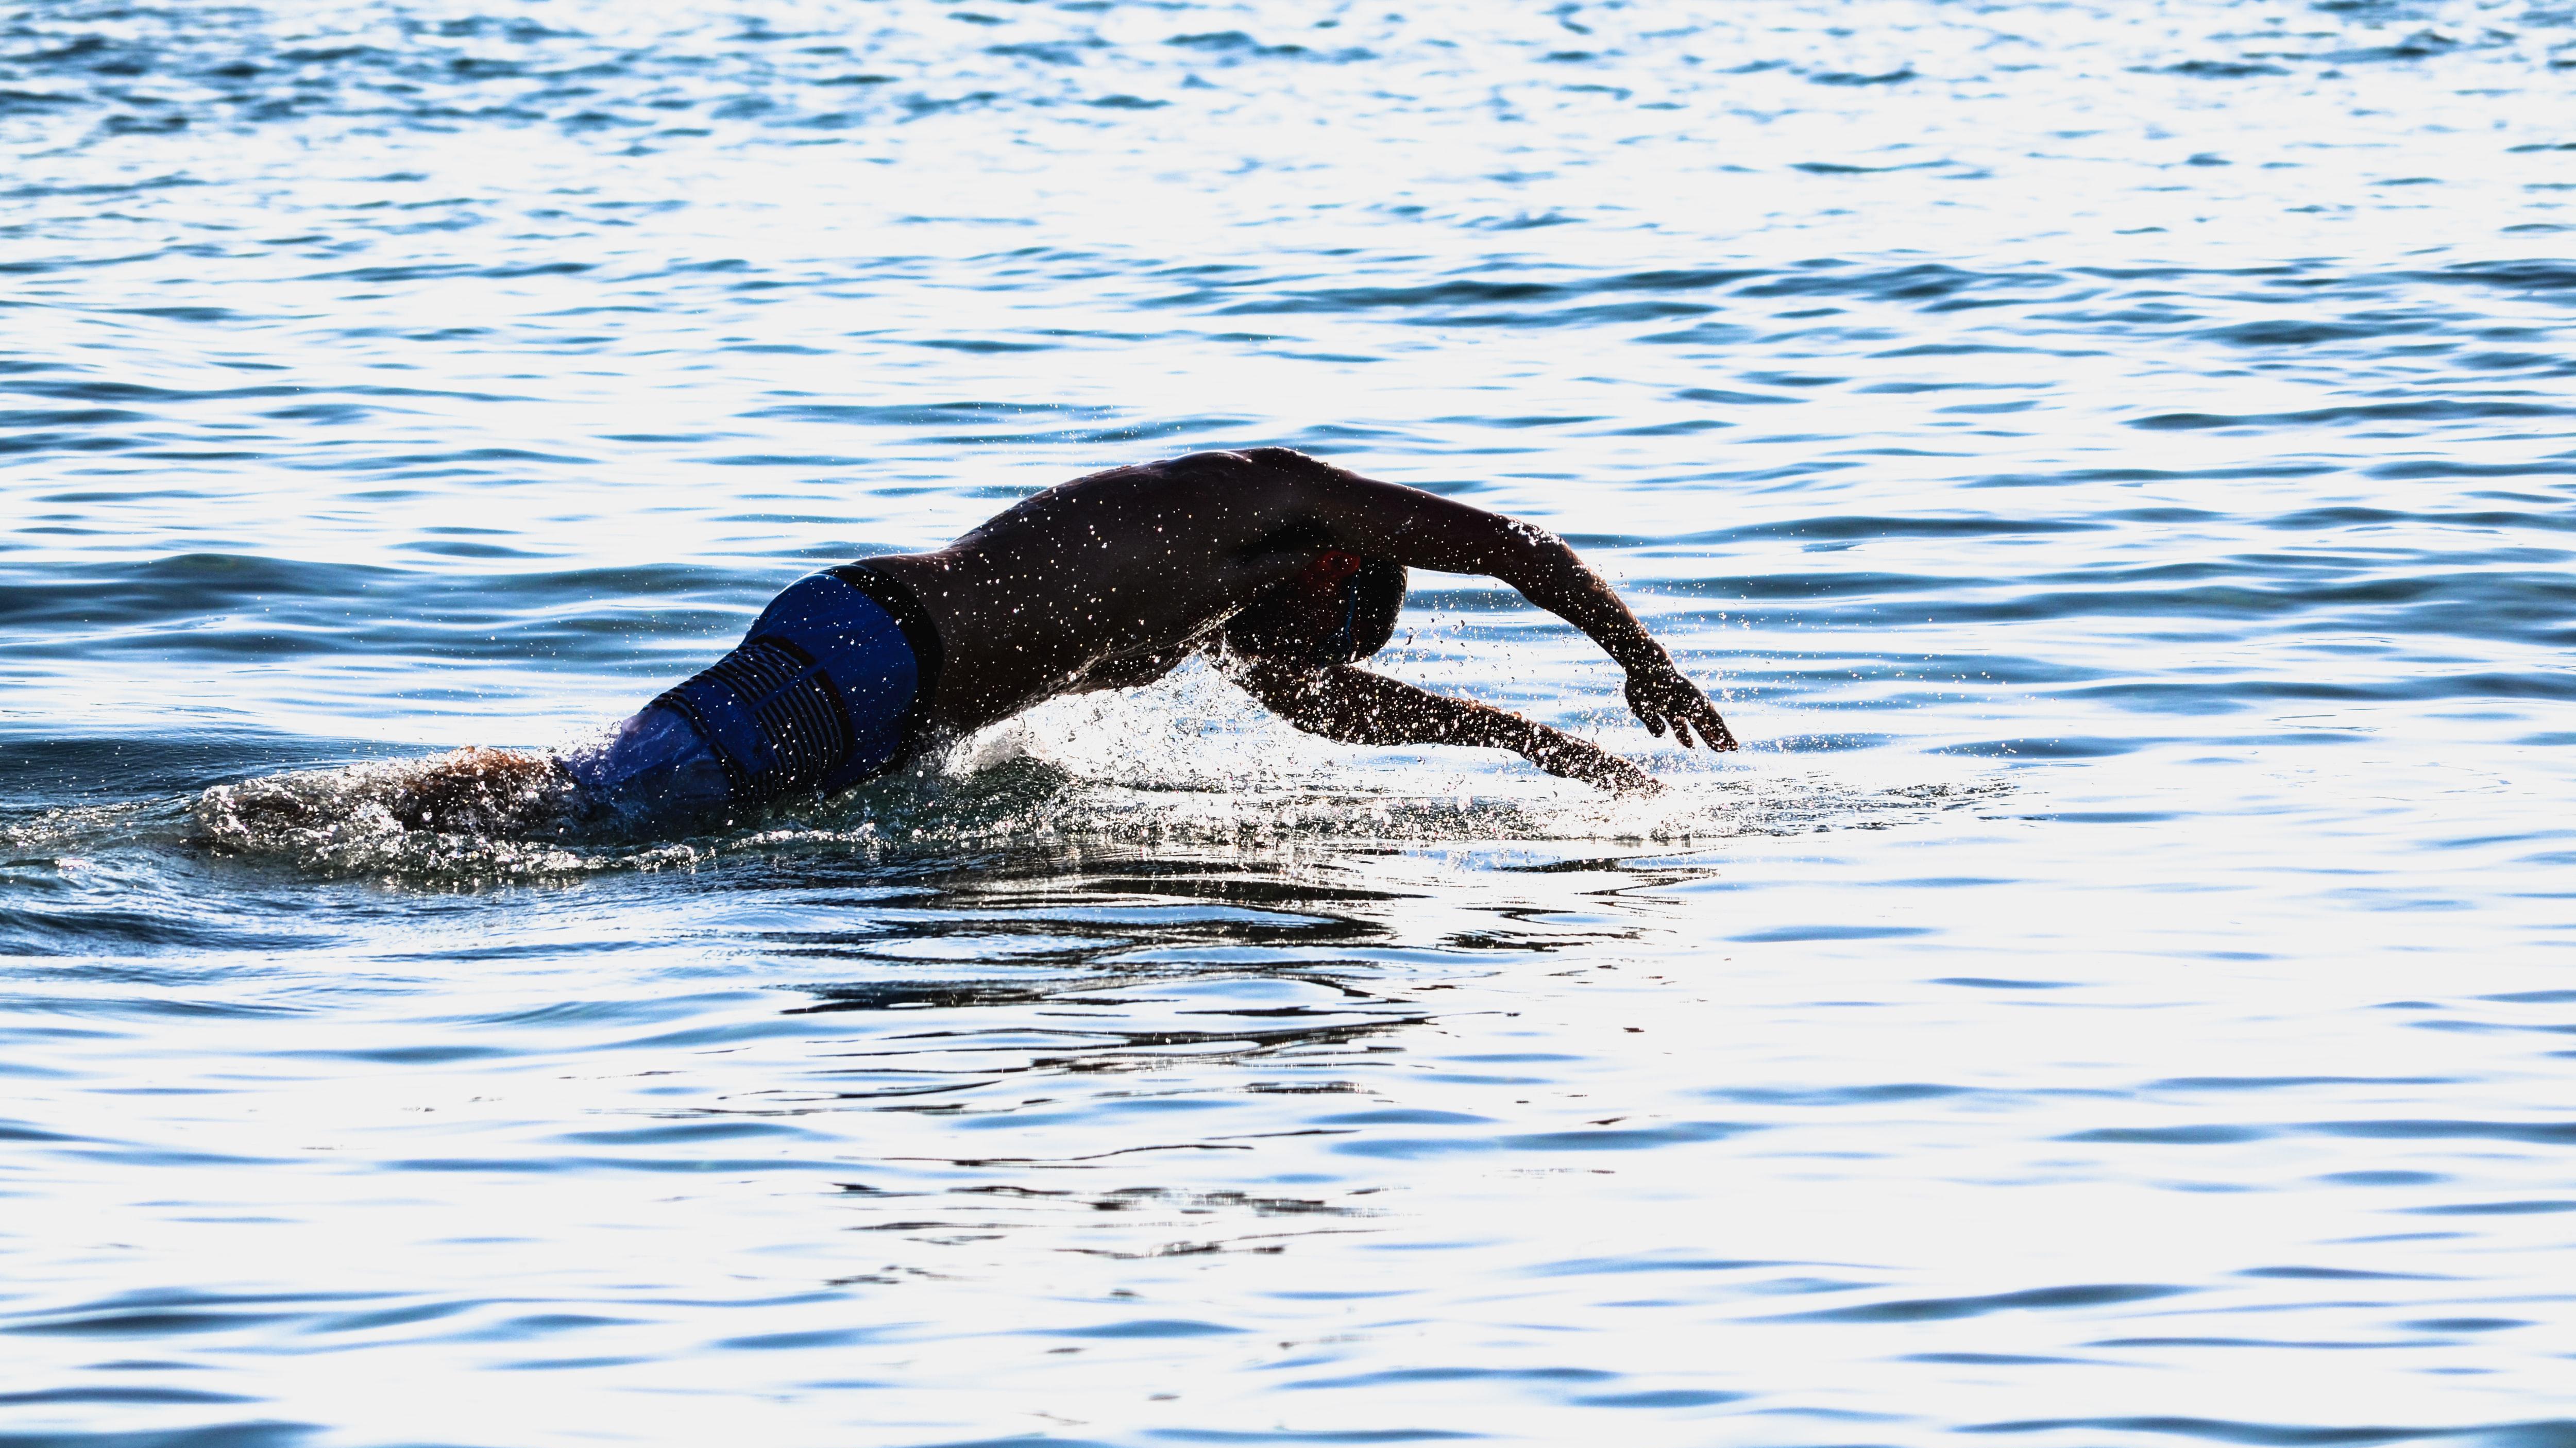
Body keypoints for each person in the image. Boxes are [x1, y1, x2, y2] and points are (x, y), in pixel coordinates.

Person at [399, 448, 1735, 833]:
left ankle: (352, 816)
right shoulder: (1266, 497)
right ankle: (282, 826)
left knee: (591, 809)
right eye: (1326, 631)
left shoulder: (1235, 614)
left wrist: (1537, 745)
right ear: (1342, 566)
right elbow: (1515, 547)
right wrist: (1640, 658)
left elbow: (1332, 710)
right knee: (581, 819)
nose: (1293, 662)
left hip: (872, 667)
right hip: (879, 656)